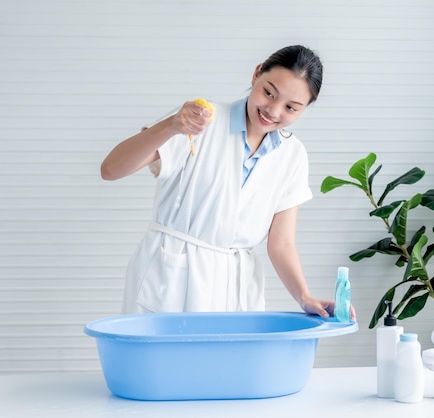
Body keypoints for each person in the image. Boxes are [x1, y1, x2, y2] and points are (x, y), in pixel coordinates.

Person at [101, 45, 352, 319]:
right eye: (269, 93)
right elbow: (111, 169)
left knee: (229, 361)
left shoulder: (293, 155)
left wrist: (305, 298)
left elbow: (280, 243)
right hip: (170, 280)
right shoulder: (199, 120)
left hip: (236, 290)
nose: (273, 111)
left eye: (291, 107)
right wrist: (171, 125)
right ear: (257, 73)